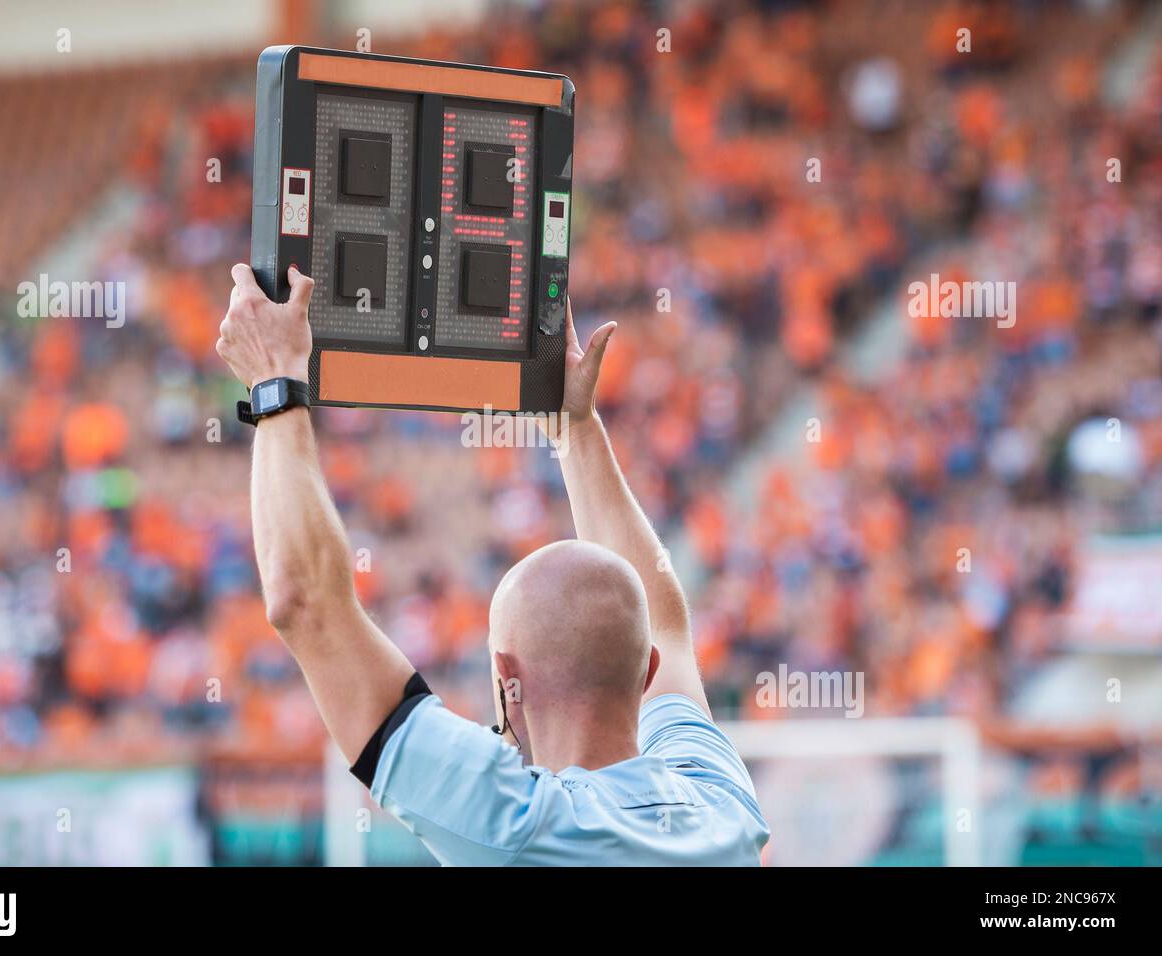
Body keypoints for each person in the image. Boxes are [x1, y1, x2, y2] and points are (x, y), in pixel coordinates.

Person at [216, 263, 769, 866]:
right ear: (647, 673)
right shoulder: (721, 805)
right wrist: (574, 425)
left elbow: (305, 604)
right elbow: (662, 625)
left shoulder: (515, 821)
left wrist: (275, 380)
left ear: (509, 680)